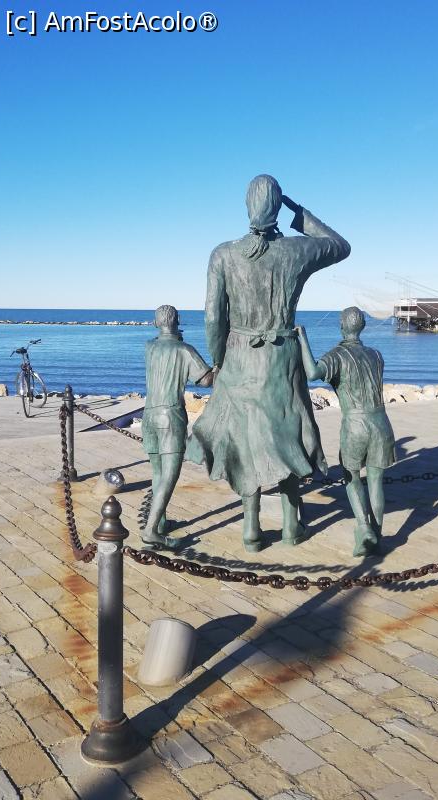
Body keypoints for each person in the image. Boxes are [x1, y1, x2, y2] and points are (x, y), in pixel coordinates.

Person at [187, 174, 351, 552]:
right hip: (283, 357)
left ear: (247, 206)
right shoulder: (297, 250)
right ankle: (292, 526)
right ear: (277, 206)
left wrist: (220, 361)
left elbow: (213, 318)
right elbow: (340, 246)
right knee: (286, 432)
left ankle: (251, 528)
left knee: (245, 439)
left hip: (240, 356)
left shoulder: (223, 254)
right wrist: (300, 214)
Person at [296, 307, 396, 556]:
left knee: (352, 477)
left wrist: (303, 340)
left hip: (355, 424)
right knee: (376, 481)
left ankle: (364, 528)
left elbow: (313, 373)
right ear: (362, 327)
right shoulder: (376, 355)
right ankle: (377, 535)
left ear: (341, 326)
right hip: (381, 422)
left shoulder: (337, 355)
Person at [141, 304, 213, 549]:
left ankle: (159, 523)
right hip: (170, 417)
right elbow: (205, 380)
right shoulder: (185, 350)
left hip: (149, 416)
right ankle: (151, 531)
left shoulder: (149, 347)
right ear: (178, 320)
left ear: (156, 323)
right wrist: (218, 368)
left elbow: (161, 345)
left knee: (157, 473)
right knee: (169, 475)